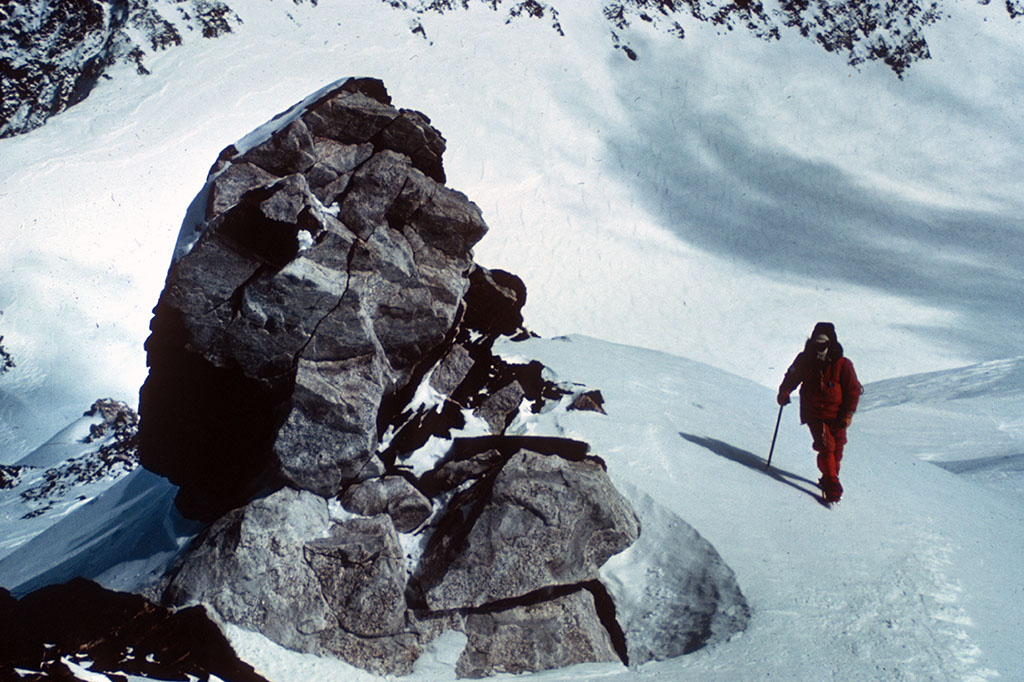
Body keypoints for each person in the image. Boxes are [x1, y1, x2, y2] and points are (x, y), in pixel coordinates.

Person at [777, 322, 862, 503]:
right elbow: (792, 376)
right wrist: (784, 391)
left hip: (837, 415)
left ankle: (829, 477)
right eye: (816, 344)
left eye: (823, 344)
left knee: (837, 448)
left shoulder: (843, 364)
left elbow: (853, 390)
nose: (819, 348)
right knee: (826, 446)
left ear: (830, 344)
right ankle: (832, 482)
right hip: (815, 412)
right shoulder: (805, 360)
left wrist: (847, 414)